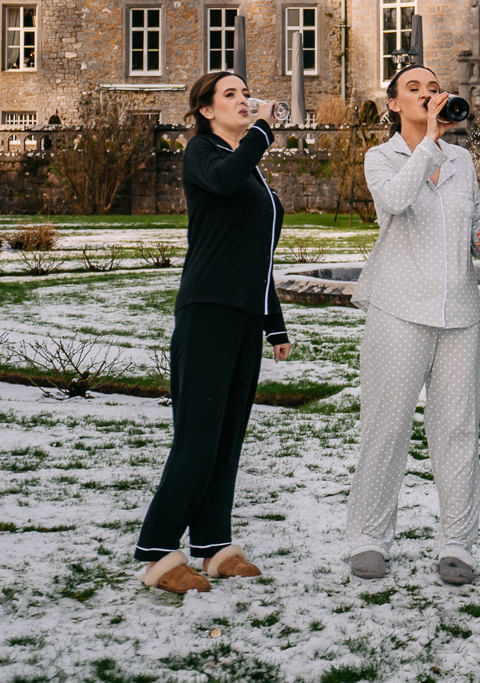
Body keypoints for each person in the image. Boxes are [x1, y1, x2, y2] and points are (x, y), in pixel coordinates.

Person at [136, 71, 293, 595]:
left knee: (227, 439)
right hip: (207, 312)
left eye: (246, 93)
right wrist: (263, 133)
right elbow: (224, 180)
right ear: (205, 110)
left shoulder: (252, 174)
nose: (245, 100)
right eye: (231, 94)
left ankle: (213, 546)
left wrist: (274, 324)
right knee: (198, 438)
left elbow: (255, 254)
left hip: (244, 316)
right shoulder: (202, 155)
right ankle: (159, 551)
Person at [345, 65, 480, 585]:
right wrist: (429, 143)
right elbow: (394, 202)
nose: (428, 95)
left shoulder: (462, 159)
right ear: (393, 104)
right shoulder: (381, 157)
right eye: (414, 88)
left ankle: (457, 542)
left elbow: (472, 216)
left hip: (457, 310)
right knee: (386, 427)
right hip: (397, 307)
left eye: (434, 88)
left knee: (457, 429)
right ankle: (368, 538)